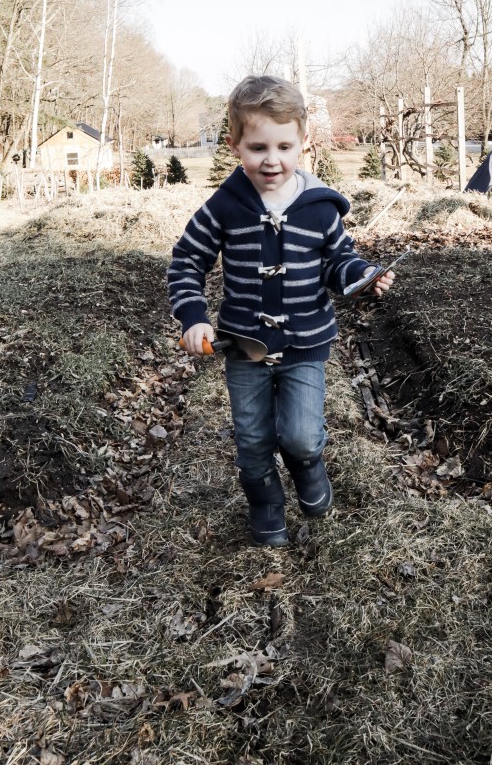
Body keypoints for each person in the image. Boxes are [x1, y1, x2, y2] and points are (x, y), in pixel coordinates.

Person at [167, 75, 394, 547]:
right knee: (252, 441)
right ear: (235, 146)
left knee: (303, 436)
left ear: (304, 144)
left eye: (284, 146)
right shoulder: (223, 208)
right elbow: (187, 261)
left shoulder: (319, 210)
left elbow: (338, 260)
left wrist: (362, 276)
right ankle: (266, 505)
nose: (272, 159)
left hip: (304, 346)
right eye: (257, 147)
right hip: (244, 346)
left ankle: (311, 472)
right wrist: (194, 317)